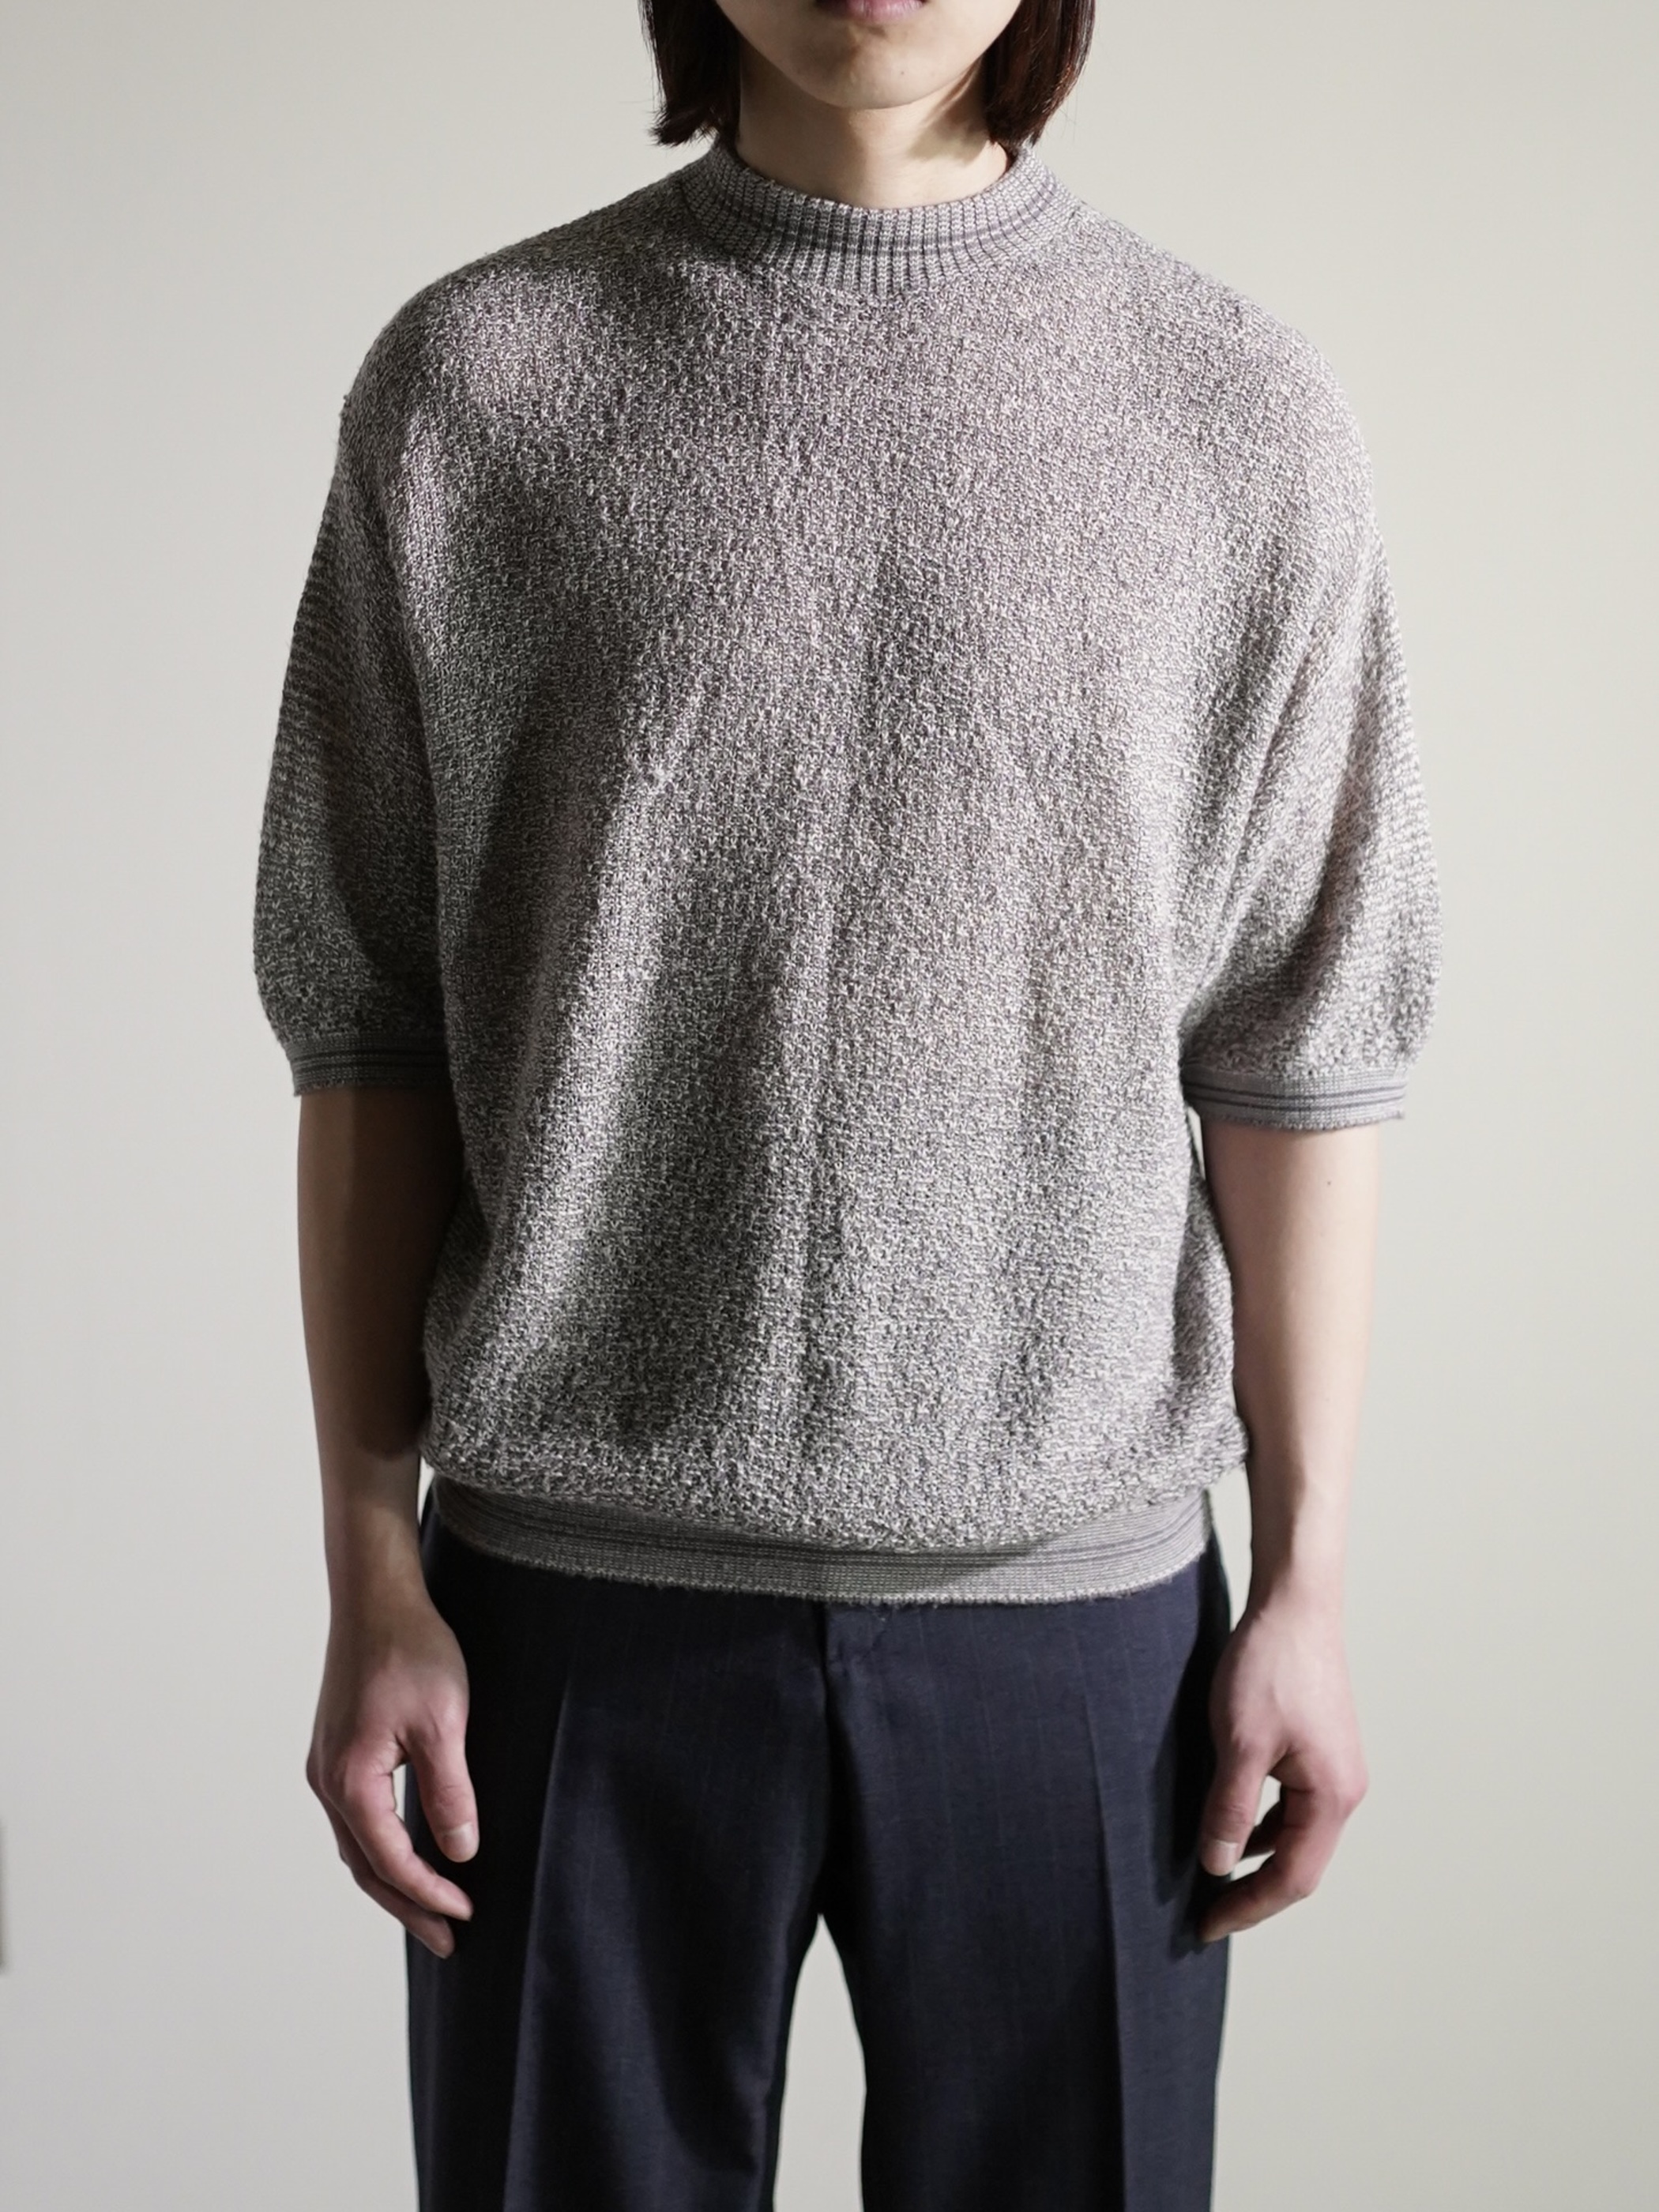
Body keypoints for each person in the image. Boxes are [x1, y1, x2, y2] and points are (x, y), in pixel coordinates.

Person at [253, 0, 1440, 2204]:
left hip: (1082, 1625)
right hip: (566, 1608)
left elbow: (1300, 1048)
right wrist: (369, 1571)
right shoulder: (480, 383)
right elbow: (369, 1023)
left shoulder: (1236, 412)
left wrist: (1308, 1584)